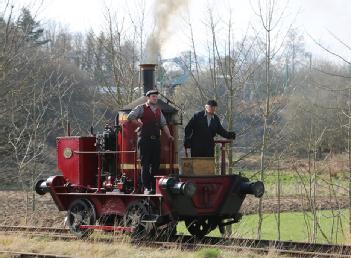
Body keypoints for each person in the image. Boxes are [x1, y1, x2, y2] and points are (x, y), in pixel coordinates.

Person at [127, 89, 174, 194]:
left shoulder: (158, 110)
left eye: (156, 97)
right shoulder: (141, 108)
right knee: (146, 164)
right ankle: (147, 187)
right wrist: (139, 124)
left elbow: (163, 124)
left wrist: (169, 135)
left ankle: (154, 186)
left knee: (156, 164)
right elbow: (130, 117)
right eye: (153, 97)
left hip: (156, 141)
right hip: (144, 140)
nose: (155, 98)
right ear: (148, 98)